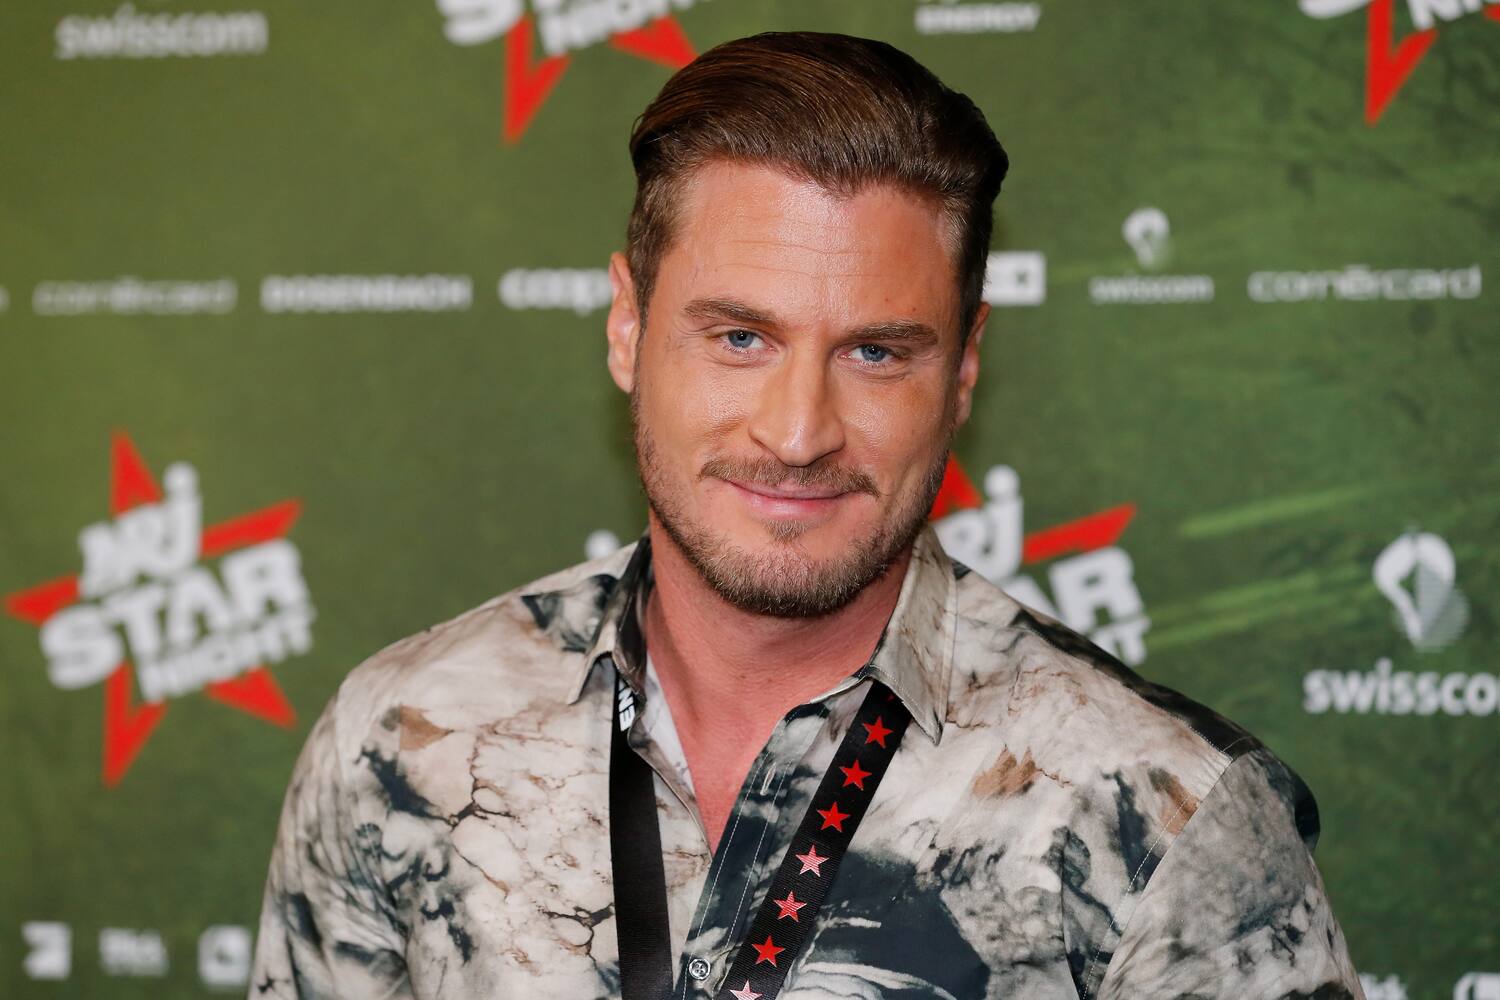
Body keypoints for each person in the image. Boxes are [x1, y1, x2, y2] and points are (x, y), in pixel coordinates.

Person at [249, 31, 1364, 1000]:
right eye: (740, 337)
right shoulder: (399, 743)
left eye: (875, 352)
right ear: (628, 329)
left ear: (964, 370)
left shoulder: (1168, 819)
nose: (797, 433)